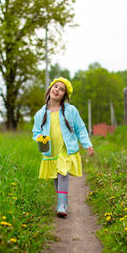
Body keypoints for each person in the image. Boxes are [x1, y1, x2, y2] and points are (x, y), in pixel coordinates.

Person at [32, 77, 94, 217]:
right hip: (51, 150)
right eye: (55, 87)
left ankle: (62, 204)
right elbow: (36, 132)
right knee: (56, 177)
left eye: (61, 89)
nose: (57, 90)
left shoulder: (71, 111)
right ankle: (62, 200)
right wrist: (39, 138)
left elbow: (81, 129)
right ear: (50, 89)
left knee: (63, 173)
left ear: (64, 96)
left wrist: (87, 144)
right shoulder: (40, 114)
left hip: (66, 150)